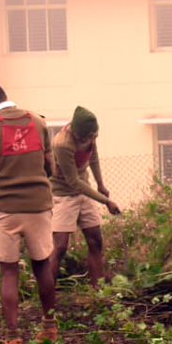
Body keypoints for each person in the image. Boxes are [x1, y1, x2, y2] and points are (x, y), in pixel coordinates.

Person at [0, 80, 58, 344]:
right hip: (39, 206)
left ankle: (13, 338)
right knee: (42, 266)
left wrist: (2, 180)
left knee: (9, 271)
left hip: (6, 208)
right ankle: (49, 328)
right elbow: (50, 167)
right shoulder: (39, 122)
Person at [49, 106, 119, 287]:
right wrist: (106, 201)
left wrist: (101, 184)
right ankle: (46, 294)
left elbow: (93, 158)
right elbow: (73, 182)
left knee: (95, 240)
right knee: (60, 247)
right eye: (86, 138)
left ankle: (98, 290)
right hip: (63, 195)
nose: (90, 141)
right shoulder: (62, 144)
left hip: (85, 192)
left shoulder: (90, 134)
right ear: (76, 133)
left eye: (92, 137)